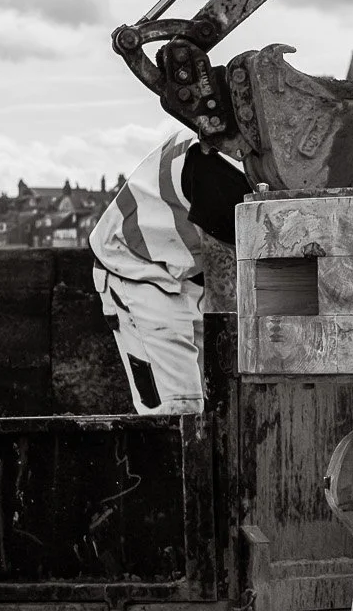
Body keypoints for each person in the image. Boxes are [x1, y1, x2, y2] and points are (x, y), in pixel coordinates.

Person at [90, 130, 248, 414]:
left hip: (184, 272)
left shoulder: (233, 145)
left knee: (218, 411)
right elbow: (225, 291)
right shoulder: (223, 168)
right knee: (179, 413)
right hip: (138, 270)